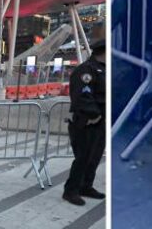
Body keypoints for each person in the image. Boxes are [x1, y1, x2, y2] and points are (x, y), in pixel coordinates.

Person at [63, 39, 106, 206]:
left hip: (100, 122)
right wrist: (93, 114)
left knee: (94, 157)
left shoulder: (103, 70)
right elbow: (82, 96)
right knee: (82, 158)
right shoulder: (86, 71)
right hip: (86, 122)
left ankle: (86, 186)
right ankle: (71, 190)